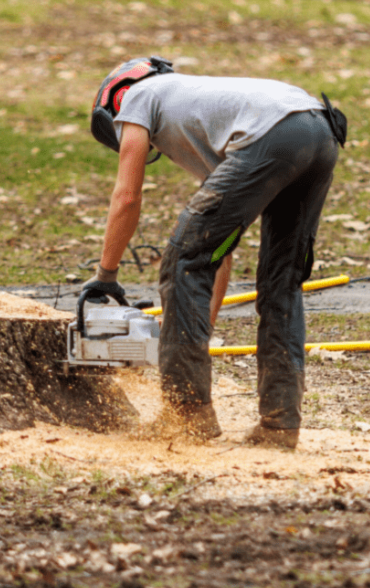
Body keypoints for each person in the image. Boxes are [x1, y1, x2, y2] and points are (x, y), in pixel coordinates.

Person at [83, 56, 347, 449]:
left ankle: (186, 414)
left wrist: (105, 276)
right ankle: (280, 424)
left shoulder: (137, 97)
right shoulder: (205, 112)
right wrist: (197, 333)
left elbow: (127, 196)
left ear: (114, 99)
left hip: (275, 132)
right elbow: (217, 246)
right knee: (281, 281)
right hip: (319, 129)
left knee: (182, 258)